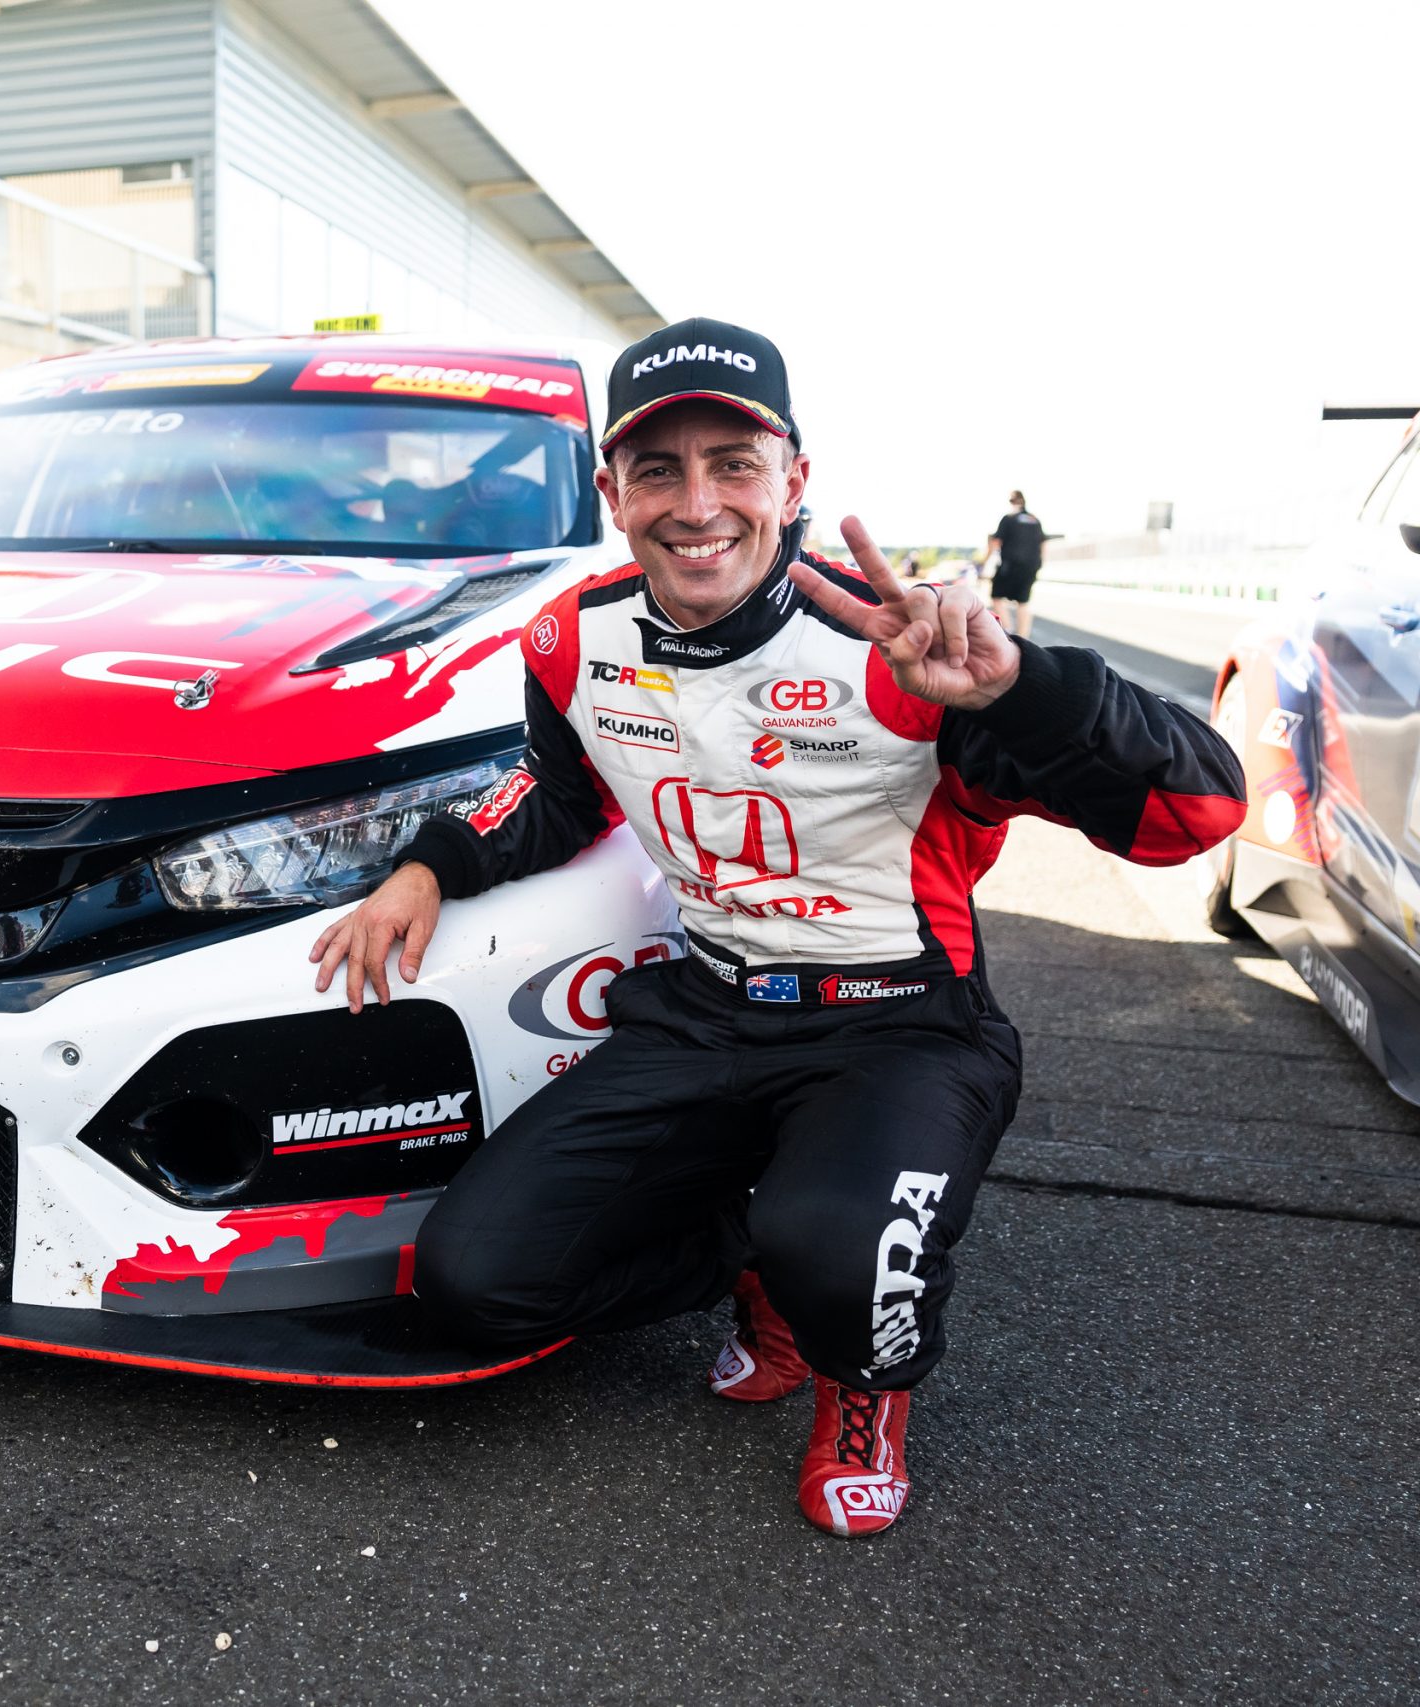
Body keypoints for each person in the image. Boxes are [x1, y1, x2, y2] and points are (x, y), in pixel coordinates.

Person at [309, 317, 1244, 1538]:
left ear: (793, 480)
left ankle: (859, 1374)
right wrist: (427, 866)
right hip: (704, 1014)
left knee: (845, 1263)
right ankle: (753, 1262)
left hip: (901, 1030)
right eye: (658, 469)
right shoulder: (568, 638)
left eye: (733, 463)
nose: (697, 504)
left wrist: (1022, 686)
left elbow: (1196, 812)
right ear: (613, 493)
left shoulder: (904, 647)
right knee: (475, 1282)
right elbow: (556, 794)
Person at [987, 490, 1047, 636]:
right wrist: (1040, 563)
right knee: (1023, 601)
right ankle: (1024, 638)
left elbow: (995, 542)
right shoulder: (1034, 519)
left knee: (996, 596)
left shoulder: (1009, 518)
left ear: (1012, 502)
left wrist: (985, 561)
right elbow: (1043, 544)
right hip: (1031, 566)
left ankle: (1008, 631)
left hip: (1010, 565)